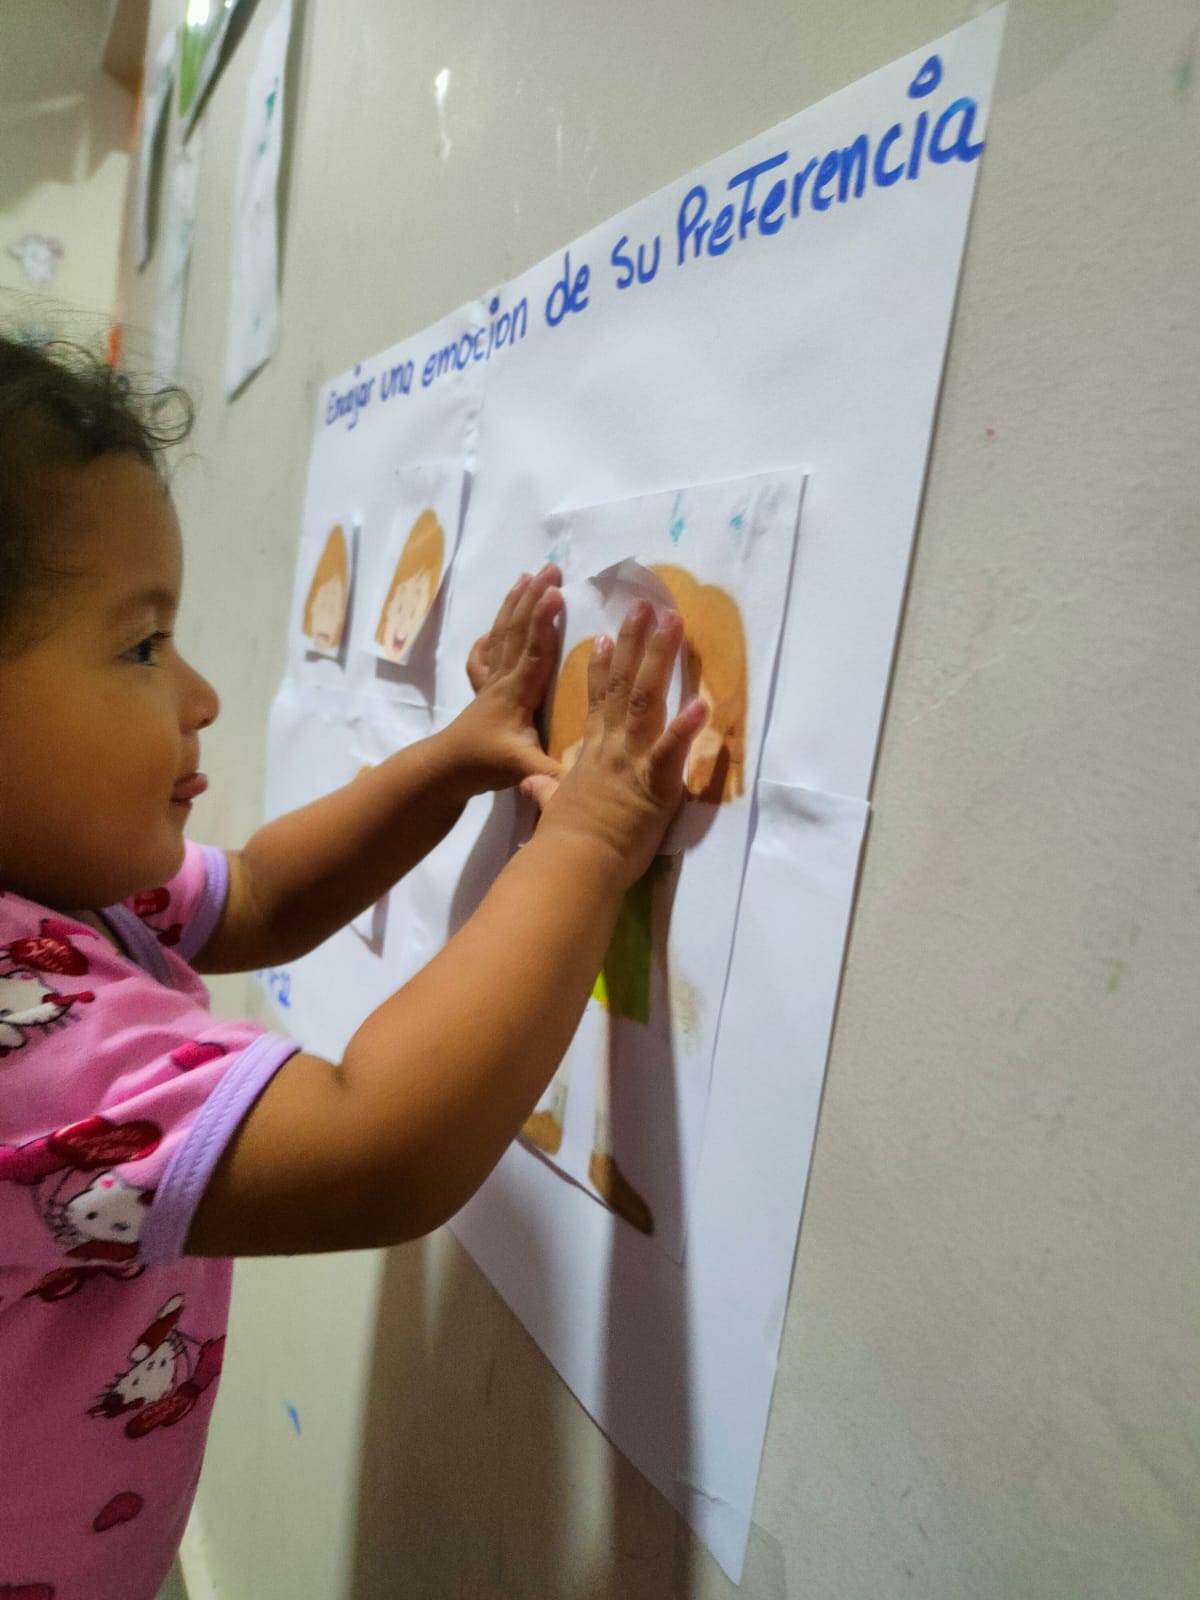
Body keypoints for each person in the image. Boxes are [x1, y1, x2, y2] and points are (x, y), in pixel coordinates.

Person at [0, 335, 707, 1600]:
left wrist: (451, 758)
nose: (202, 695)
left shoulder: (64, 889)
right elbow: (380, 1145)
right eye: (144, 646)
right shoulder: (19, 1033)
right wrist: (593, 840)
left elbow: (263, 895)